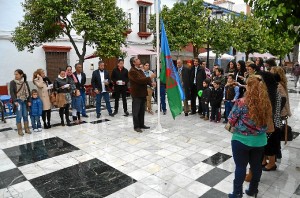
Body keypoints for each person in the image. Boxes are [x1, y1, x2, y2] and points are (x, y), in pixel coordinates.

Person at [228, 75, 273, 198]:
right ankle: (253, 190)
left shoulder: (241, 102)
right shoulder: (266, 103)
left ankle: (237, 193)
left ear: (249, 87)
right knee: (256, 166)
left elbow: (231, 120)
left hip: (241, 140)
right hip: (259, 141)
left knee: (241, 167)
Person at [128, 57, 156, 133]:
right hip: (137, 94)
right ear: (134, 62)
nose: (139, 60)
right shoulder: (132, 71)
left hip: (143, 93)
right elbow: (139, 80)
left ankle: (141, 124)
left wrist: (151, 84)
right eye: (137, 59)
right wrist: (150, 77)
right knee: (136, 111)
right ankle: (136, 126)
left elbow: (144, 79)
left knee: (141, 110)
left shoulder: (140, 70)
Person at [10, 69, 31, 135]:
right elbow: (12, 93)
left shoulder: (25, 82)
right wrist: (15, 101)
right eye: (15, 74)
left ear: (21, 75)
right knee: (19, 116)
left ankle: (27, 128)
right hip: (18, 101)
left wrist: (29, 100)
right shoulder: (12, 82)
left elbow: (28, 91)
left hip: (24, 101)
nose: (15, 75)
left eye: (17, 74)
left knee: (25, 115)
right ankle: (19, 130)